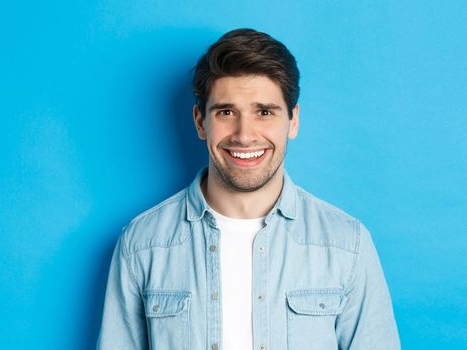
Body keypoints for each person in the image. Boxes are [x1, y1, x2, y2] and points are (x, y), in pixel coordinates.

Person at [97, 28, 399, 350]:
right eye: (226, 112)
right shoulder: (142, 245)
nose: (244, 135)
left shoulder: (345, 245)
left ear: (293, 121)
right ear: (200, 121)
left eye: (264, 112)